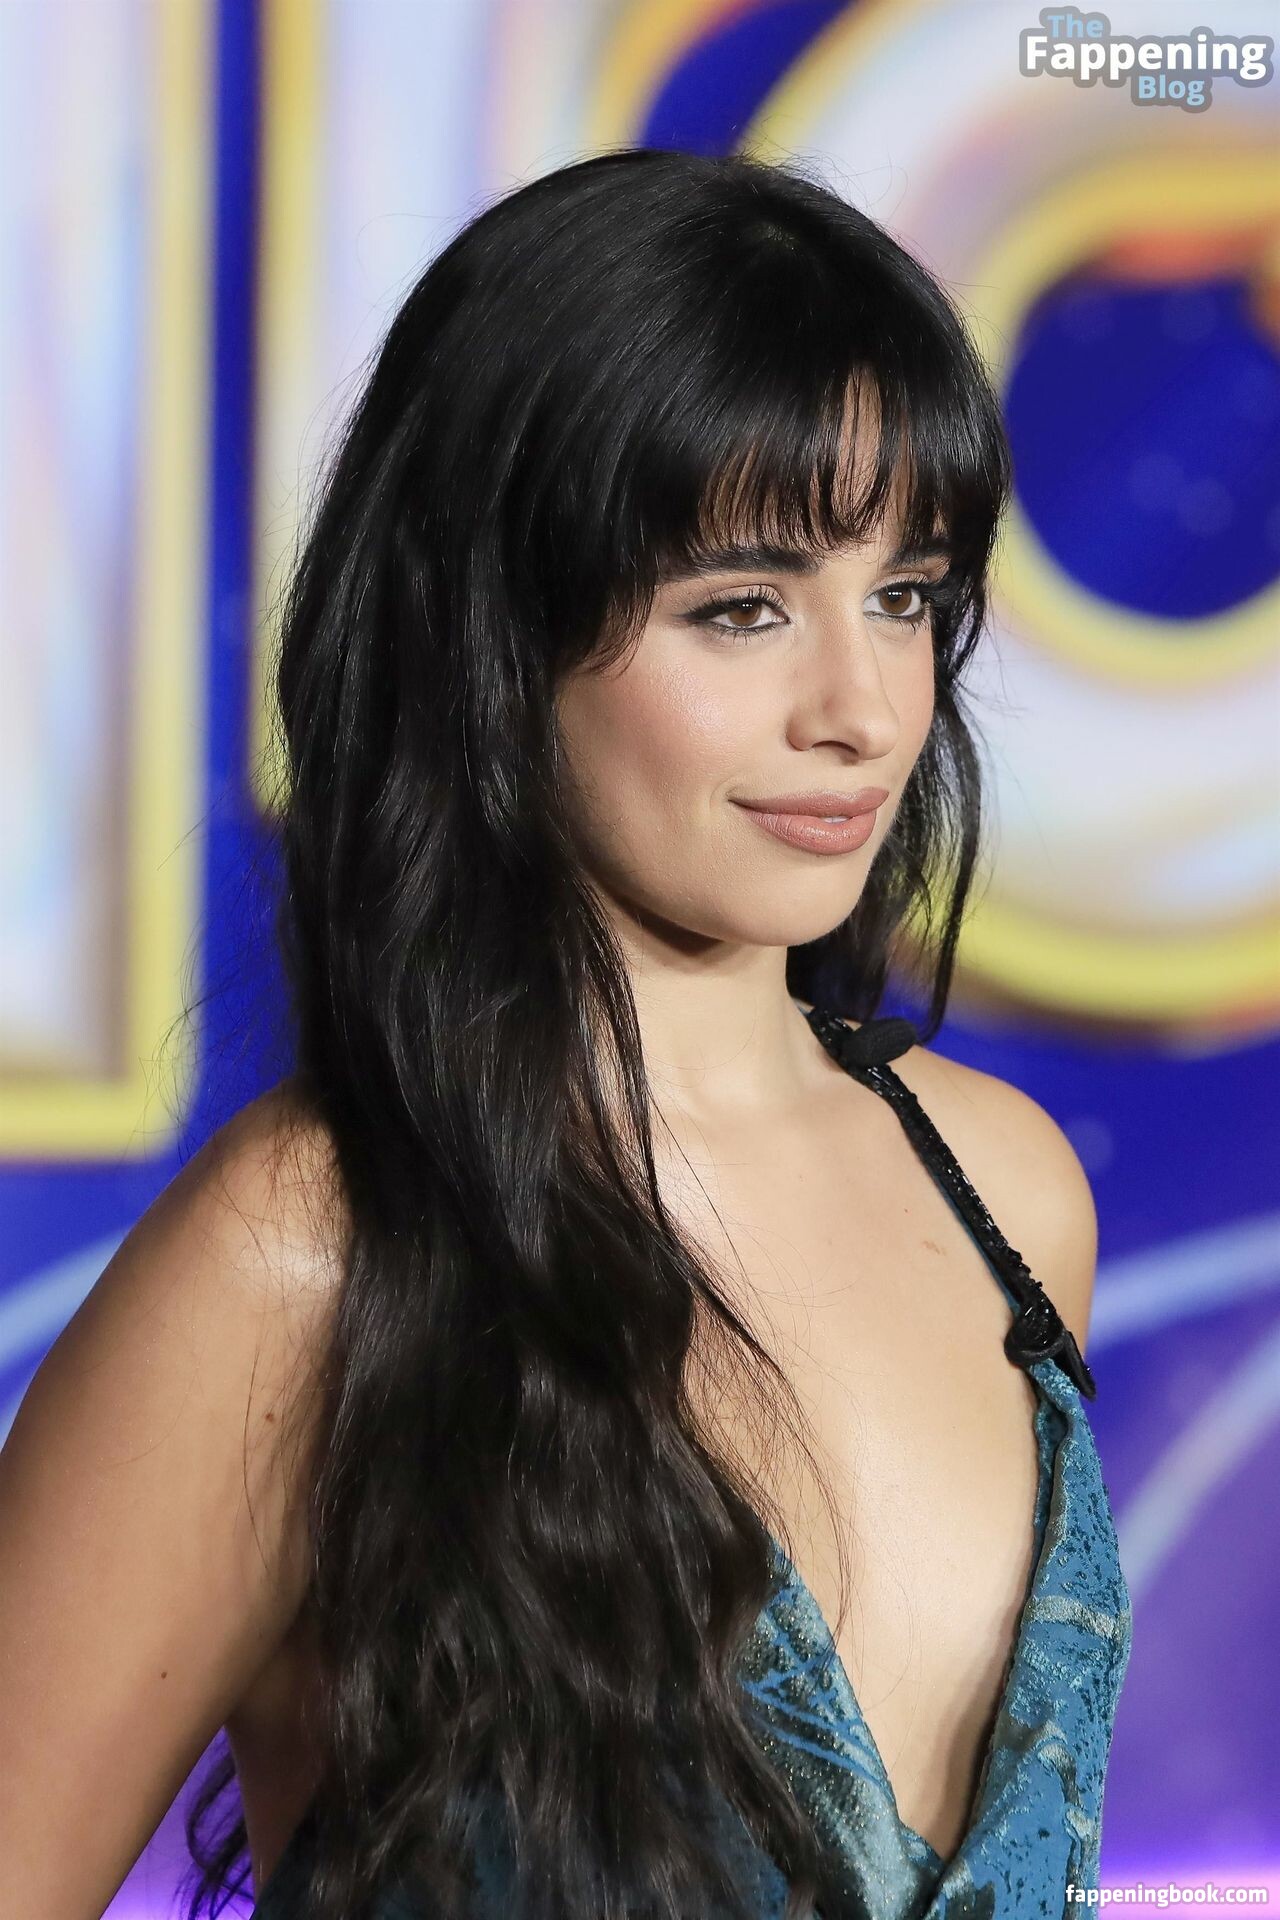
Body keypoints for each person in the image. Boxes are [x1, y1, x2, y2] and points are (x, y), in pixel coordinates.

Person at [0, 148, 1131, 1920]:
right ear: (492, 637)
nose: (861, 707)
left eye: (904, 595)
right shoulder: (310, 1255)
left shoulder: (1006, 1189)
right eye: (740, 608)